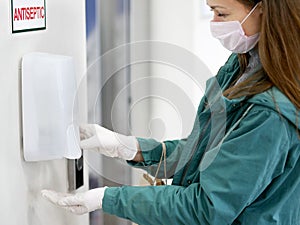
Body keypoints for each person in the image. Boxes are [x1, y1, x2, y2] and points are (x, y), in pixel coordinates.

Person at [41, 0, 300, 224]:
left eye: (221, 13)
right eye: (210, 11)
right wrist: (128, 147)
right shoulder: (244, 65)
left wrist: (106, 198)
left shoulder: (271, 114)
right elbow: (206, 153)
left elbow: (206, 208)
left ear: (264, 9)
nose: (214, 23)